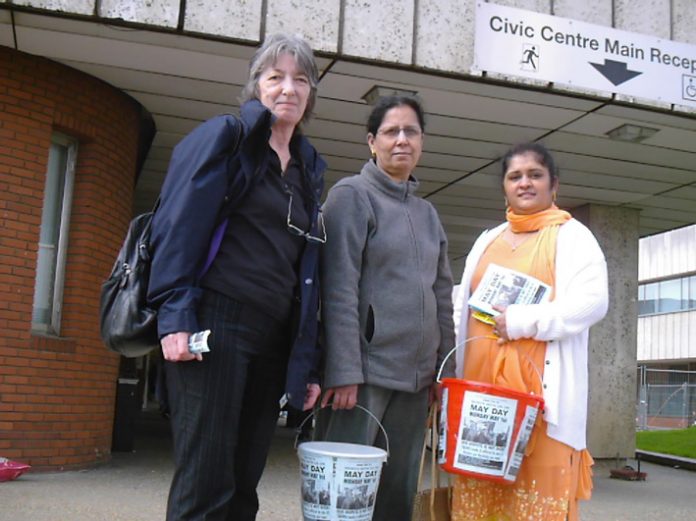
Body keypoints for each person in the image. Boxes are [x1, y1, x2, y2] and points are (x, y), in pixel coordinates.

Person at [147, 33, 326, 521]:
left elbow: (305, 270)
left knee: (244, 481)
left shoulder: (309, 168)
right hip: (215, 318)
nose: (288, 88)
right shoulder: (227, 137)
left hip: (273, 332)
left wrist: (307, 362)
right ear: (256, 87)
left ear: (310, 94)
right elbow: (177, 226)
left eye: (300, 79)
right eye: (275, 77)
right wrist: (175, 314)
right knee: (206, 478)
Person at [451, 142, 609, 521]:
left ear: (553, 185)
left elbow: (592, 303)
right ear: (504, 186)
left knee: (536, 503)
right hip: (481, 397)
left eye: (534, 175)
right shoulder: (486, 240)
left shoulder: (573, 237)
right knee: (483, 501)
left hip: (543, 408)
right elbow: (463, 309)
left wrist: (524, 321)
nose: (524, 183)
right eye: (515, 176)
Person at [318, 95, 455, 521]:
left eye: (410, 131)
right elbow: (337, 287)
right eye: (391, 132)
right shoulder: (351, 196)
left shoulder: (428, 214)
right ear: (371, 142)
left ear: (422, 142)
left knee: (396, 497)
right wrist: (343, 371)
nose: (402, 140)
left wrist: (443, 372)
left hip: (415, 382)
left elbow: (443, 295)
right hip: (363, 378)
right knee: (346, 500)